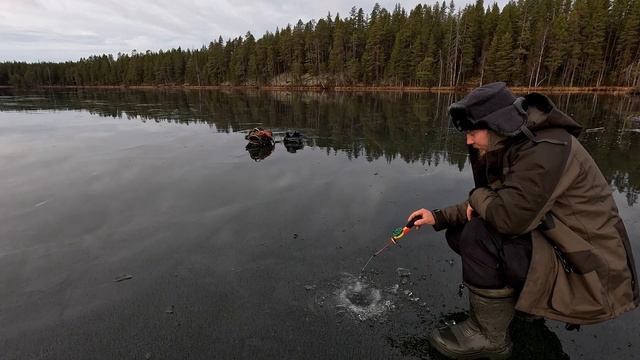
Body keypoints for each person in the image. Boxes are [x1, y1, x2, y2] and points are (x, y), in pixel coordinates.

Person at [408, 82, 638, 359]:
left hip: (591, 270)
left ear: (496, 124)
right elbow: (499, 199)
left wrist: (478, 194)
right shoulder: (520, 141)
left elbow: (507, 218)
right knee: (460, 231)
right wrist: (439, 217)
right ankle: (521, 305)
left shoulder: (545, 149)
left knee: (478, 234)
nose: (468, 141)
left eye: (472, 132)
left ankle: (489, 337)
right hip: (560, 243)